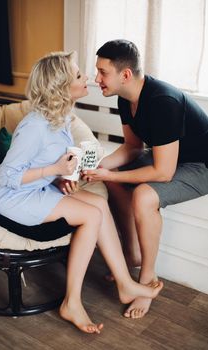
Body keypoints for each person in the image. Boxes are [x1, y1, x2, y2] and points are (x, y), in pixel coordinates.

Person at [0, 51, 163, 333]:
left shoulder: (62, 117)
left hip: (37, 188)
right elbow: (7, 176)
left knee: (99, 205)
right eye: (80, 76)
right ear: (60, 87)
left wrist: (59, 179)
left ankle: (125, 284)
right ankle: (72, 302)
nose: (89, 80)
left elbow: (43, 165)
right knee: (90, 216)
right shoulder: (34, 127)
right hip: (13, 198)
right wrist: (54, 170)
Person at [83, 39, 208, 319]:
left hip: (201, 165)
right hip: (169, 157)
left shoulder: (163, 101)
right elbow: (132, 147)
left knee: (144, 194)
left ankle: (147, 280)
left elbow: (163, 173)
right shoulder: (126, 98)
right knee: (111, 176)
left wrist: (108, 172)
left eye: (103, 72)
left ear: (125, 75)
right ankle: (132, 254)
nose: (96, 78)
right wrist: (100, 167)